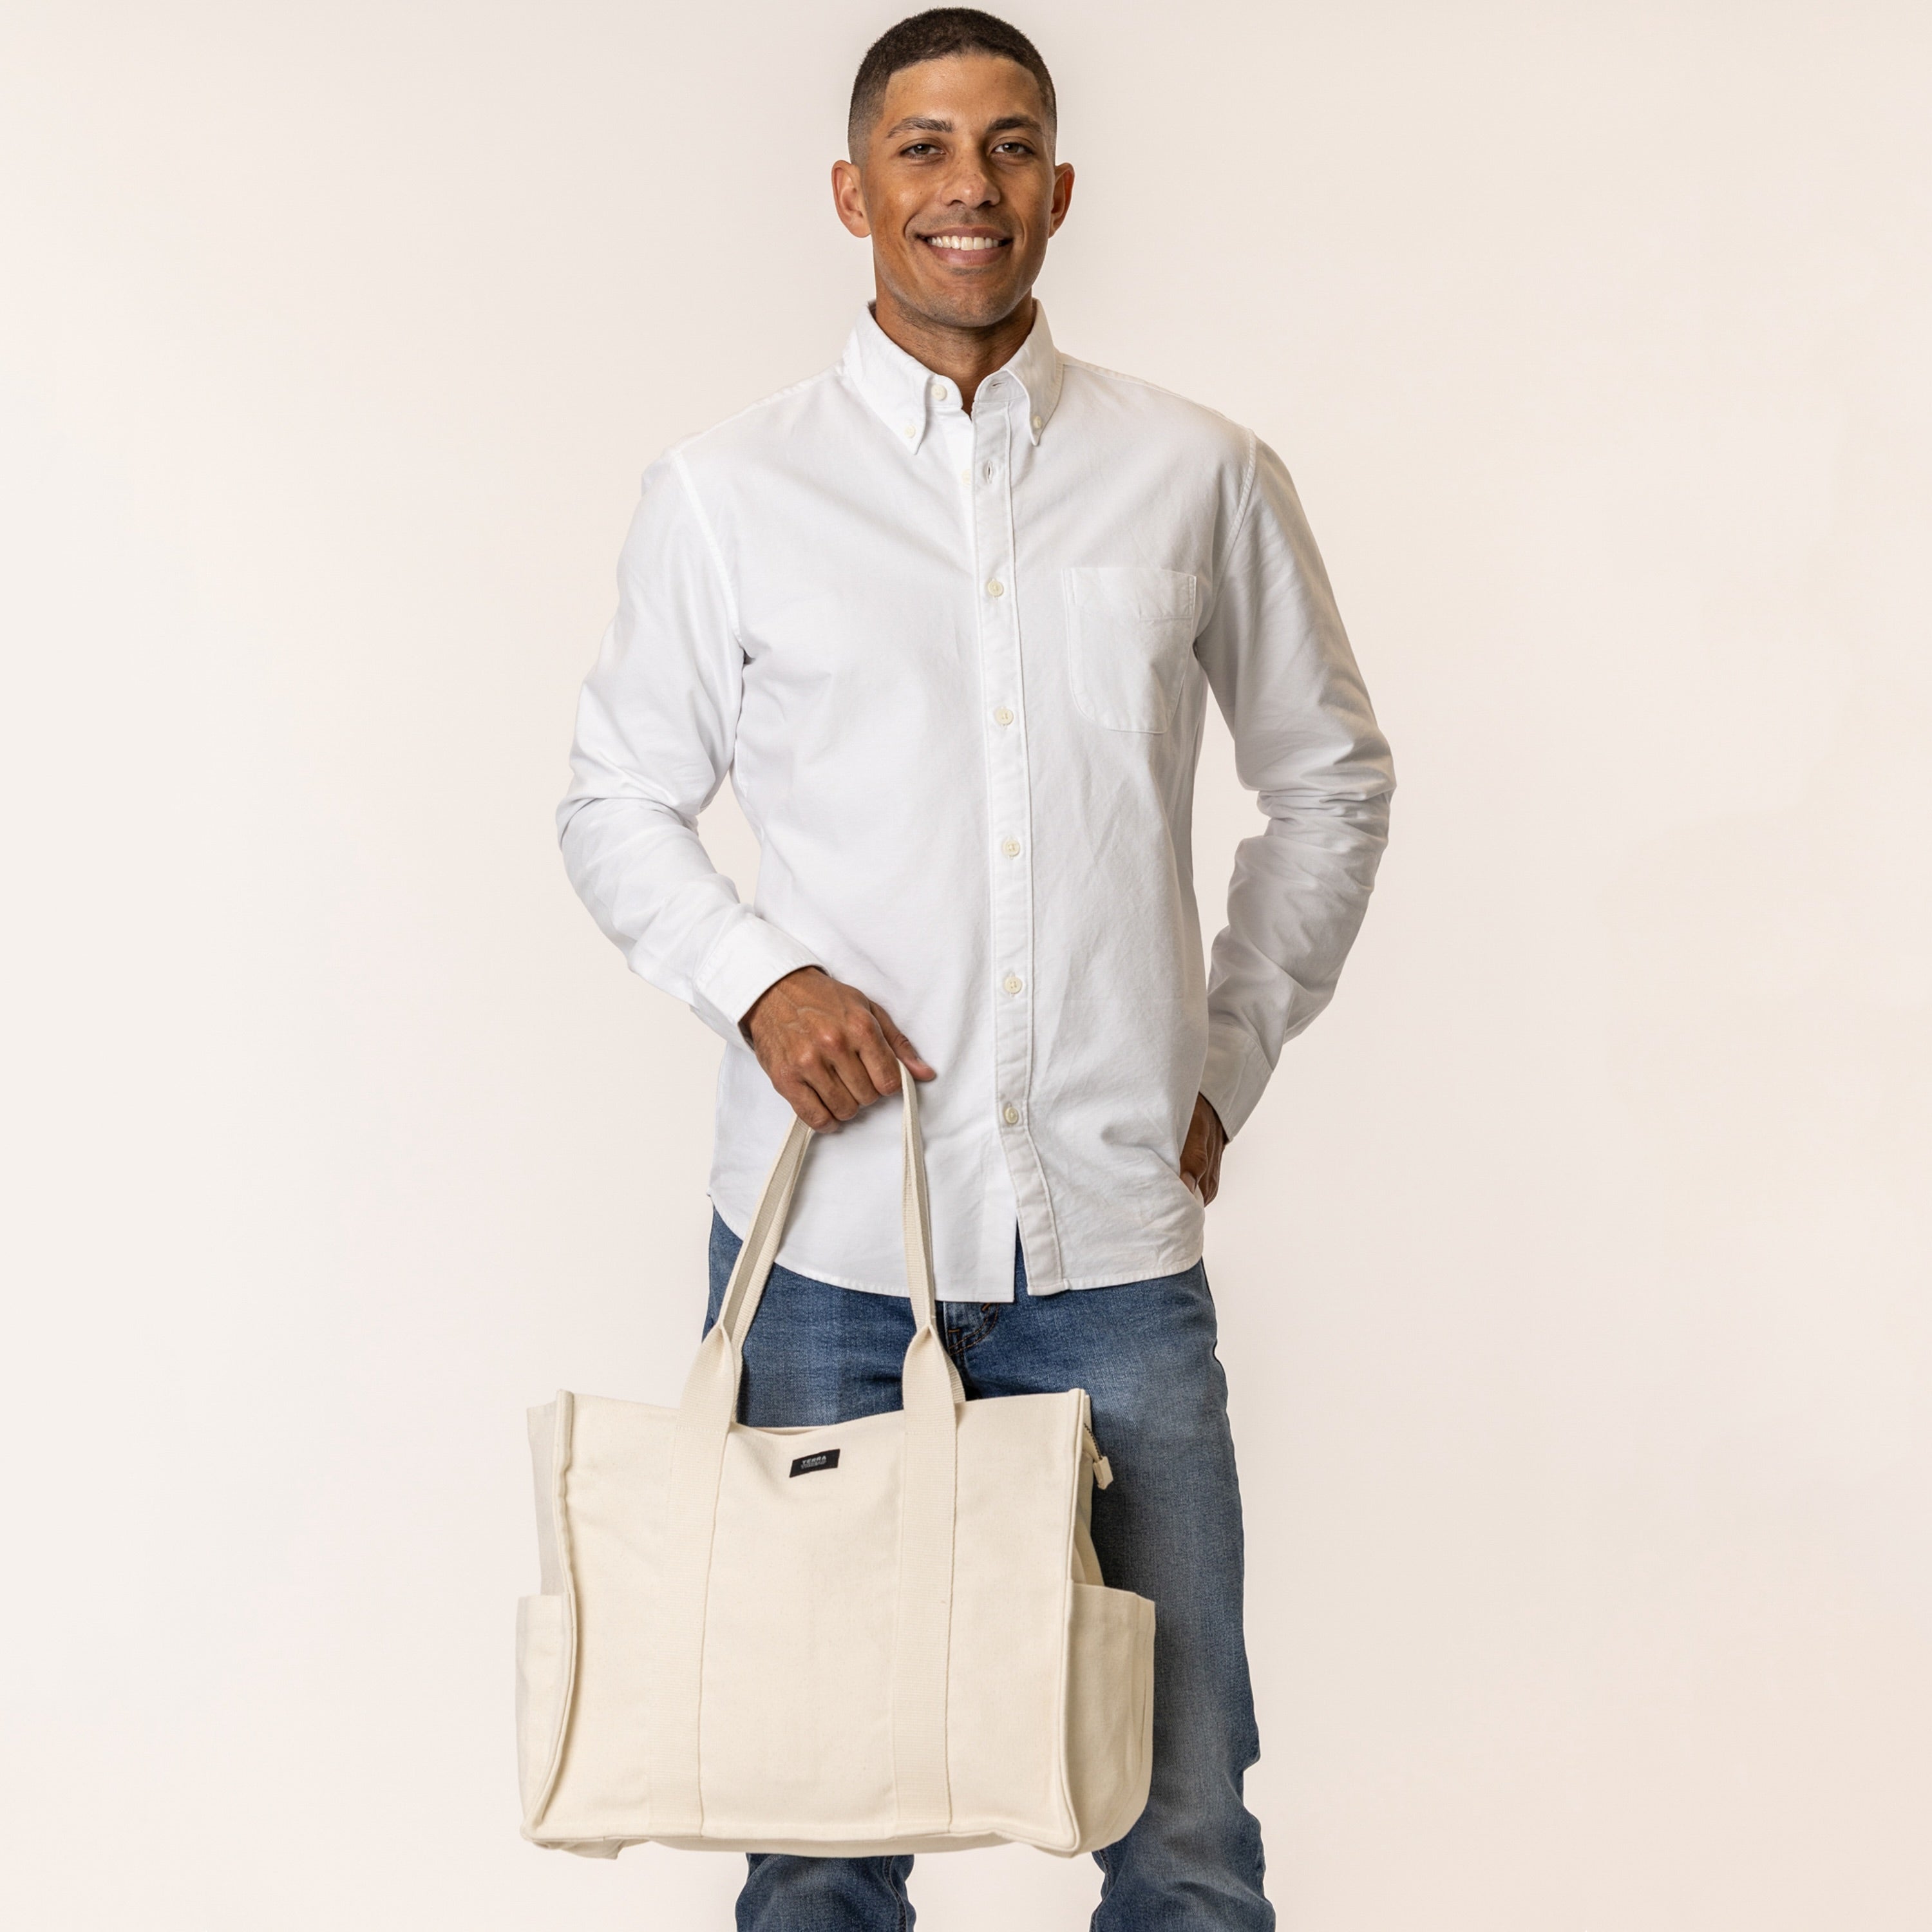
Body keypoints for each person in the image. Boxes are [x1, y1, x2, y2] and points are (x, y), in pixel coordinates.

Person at [556, 9, 1392, 1926]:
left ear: (1061, 191)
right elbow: (613, 802)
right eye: (925, 150)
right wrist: (762, 980)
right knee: (820, 1829)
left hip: (1114, 1257)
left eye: (1010, 148)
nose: (969, 188)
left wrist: (1230, 1057)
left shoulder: (1198, 472)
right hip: (834, 1263)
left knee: (1184, 1822)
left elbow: (1330, 779)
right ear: (854, 194)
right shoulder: (727, 492)